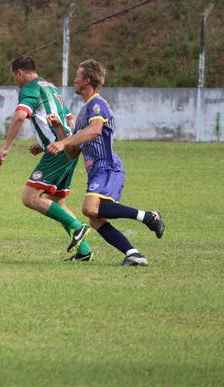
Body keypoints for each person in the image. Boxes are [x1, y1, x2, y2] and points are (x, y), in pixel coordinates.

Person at [47, 59, 165, 266]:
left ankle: (149, 216)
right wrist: (59, 130)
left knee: (89, 208)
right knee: (96, 219)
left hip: (107, 166)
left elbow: (95, 131)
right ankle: (134, 254)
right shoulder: (84, 111)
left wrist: (64, 141)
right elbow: (74, 152)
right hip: (96, 170)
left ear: (87, 80)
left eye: (77, 76)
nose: (74, 80)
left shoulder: (97, 105)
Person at [0, 55, 93, 261]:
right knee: (56, 201)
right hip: (68, 145)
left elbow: (21, 115)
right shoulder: (50, 87)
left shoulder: (29, 88)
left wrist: (5, 147)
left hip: (57, 151)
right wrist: (44, 144)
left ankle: (78, 227)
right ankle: (84, 251)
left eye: (15, 77)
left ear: (19, 73)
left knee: (30, 198)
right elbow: (69, 120)